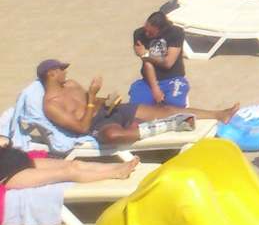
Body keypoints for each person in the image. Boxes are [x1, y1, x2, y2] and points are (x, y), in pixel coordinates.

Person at [37, 60, 235, 146]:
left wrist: (106, 99)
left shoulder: (71, 84)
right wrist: (92, 99)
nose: (65, 71)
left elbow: (92, 99)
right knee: (113, 135)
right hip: (99, 123)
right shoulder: (51, 105)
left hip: (111, 109)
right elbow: (81, 127)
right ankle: (169, 126)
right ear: (51, 74)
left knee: (164, 109)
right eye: (61, 69)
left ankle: (218, 114)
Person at [0, 140, 140, 189]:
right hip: (9, 175)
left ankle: (115, 166)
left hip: (18, 159)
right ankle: (116, 173)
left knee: (75, 164)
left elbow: (6, 140)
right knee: (69, 172)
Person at [131, 12, 188, 108]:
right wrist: (155, 87)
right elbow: (147, 62)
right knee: (137, 108)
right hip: (149, 79)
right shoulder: (139, 34)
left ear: (162, 31)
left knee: (173, 106)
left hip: (173, 78)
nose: (147, 34)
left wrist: (146, 54)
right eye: (146, 30)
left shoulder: (176, 33)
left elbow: (168, 63)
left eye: (151, 33)